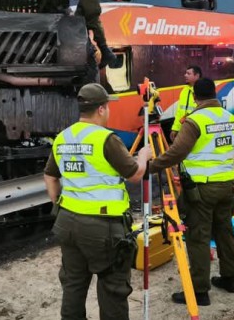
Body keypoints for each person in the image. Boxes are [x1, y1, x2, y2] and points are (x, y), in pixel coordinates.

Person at [44, 83, 152, 320]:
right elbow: (134, 174)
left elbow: (50, 176)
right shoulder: (105, 138)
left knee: (73, 284)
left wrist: (59, 205)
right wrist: (143, 156)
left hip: (67, 222)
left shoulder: (63, 137)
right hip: (102, 228)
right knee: (112, 287)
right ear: (102, 109)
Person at [148, 78, 234, 306]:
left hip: (201, 190)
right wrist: (228, 177)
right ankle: (230, 279)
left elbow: (177, 152)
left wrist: (151, 166)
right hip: (226, 185)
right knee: (224, 231)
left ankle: (199, 291)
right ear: (214, 94)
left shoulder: (195, 121)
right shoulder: (231, 118)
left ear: (195, 96)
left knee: (198, 237)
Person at [171, 65, 202, 142]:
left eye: (188, 73)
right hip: (185, 130)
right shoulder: (184, 91)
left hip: (196, 131)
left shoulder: (202, 91)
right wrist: (175, 129)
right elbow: (179, 113)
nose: (185, 75)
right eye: (185, 73)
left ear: (197, 76)